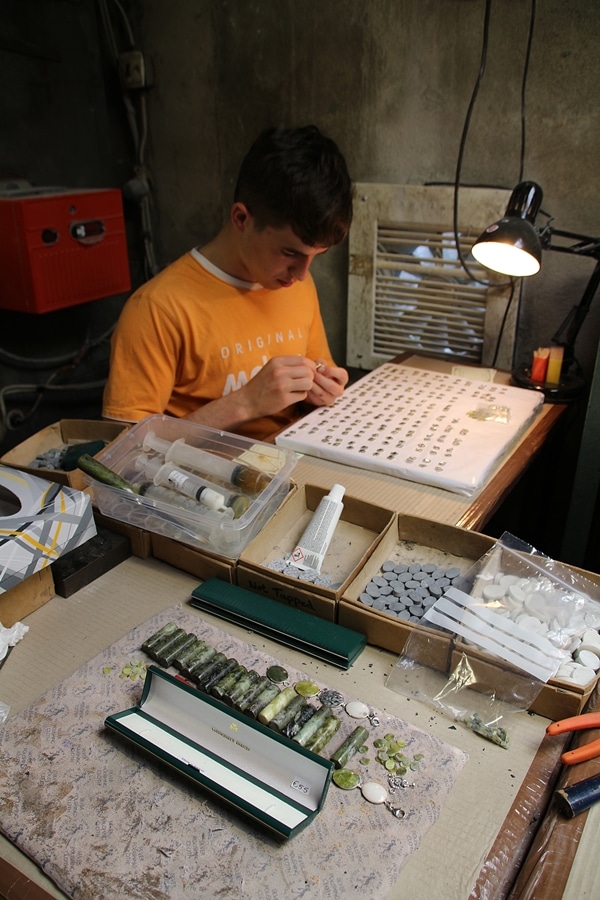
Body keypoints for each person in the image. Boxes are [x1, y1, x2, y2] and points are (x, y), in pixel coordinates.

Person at [102, 124, 354, 441]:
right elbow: (122, 452)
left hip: (293, 459)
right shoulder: (157, 310)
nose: (302, 274)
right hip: (205, 481)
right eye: (289, 252)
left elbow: (321, 370)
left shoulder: (296, 283)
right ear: (241, 219)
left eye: (316, 256)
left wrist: (324, 388)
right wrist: (244, 403)